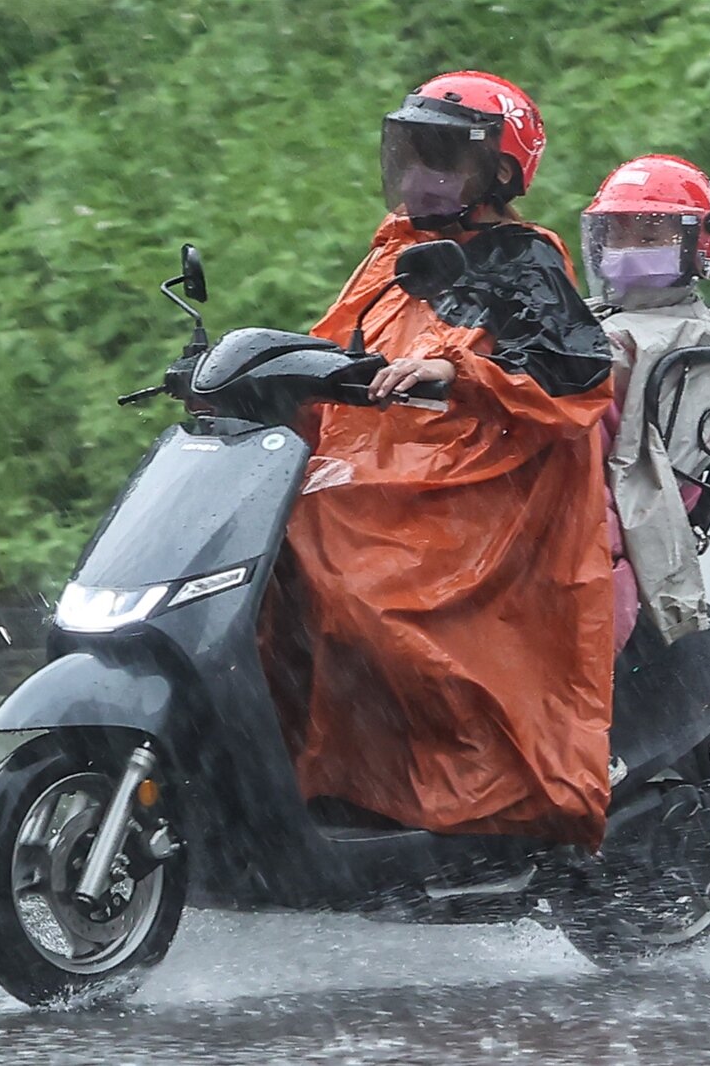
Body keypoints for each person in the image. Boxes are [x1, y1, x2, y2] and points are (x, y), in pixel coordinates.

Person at [261, 71, 617, 848]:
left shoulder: (521, 261)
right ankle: (316, 777)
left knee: (358, 574)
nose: (419, 178)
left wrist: (463, 375)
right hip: (390, 470)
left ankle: (463, 785)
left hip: (485, 494)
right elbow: (334, 352)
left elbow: (573, 375)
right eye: (411, 155)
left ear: (496, 173)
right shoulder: (396, 252)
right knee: (272, 546)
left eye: (441, 159)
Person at [582, 155, 710, 646]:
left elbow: (667, 480)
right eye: (619, 235)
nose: (628, 249)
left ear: (698, 242)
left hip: (610, 514)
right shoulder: (603, 320)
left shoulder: (692, 342)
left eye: (649, 238)